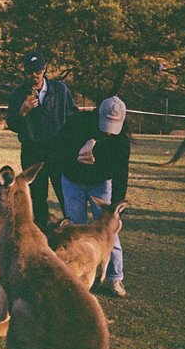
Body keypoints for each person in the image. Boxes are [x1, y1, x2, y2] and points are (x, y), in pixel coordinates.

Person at [53, 96, 131, 297]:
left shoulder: (121, 141)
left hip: (101, 183)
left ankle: (115, 278)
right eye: (105, 124)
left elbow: (121, 175)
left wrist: (116, 210)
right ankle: (75, 275)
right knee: (77, 227)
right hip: (72, 179)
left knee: (108, 232)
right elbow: (56, 152)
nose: (107, 131)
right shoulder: (77, 123)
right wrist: (74, 156)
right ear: (98, 114)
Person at [5, 50, 79, 230]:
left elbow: (74, 118)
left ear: (45, 69)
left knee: (66, 197)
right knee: (38, 200)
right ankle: (41, 240)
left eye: (38, 70)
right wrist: (22, 112)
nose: (34, 75)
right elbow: (12, 124)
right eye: (30, 71)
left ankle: (73, 234)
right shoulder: (18, 95)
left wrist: (74, 145)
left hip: (59, 153)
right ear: (24, 72)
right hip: (33, 155)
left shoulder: (60, 90)